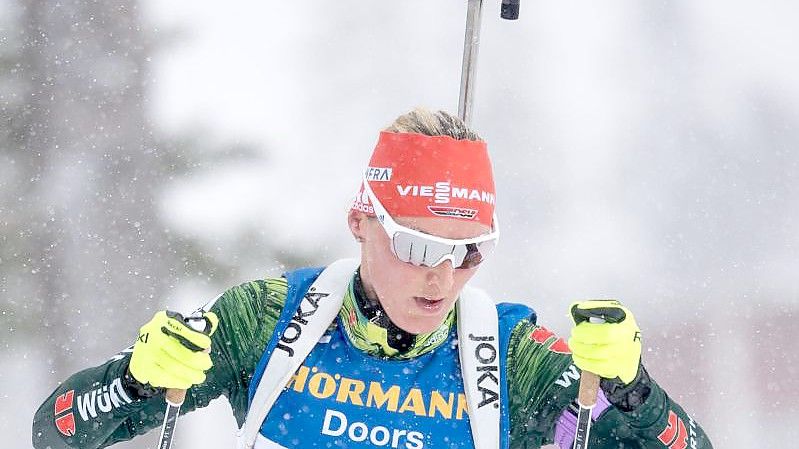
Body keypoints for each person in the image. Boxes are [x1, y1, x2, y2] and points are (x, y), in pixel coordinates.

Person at [32, 108, 713, 449]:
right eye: (416, 243)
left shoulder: (511, 358)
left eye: (469, 250)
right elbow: (56, 429)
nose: (442, 275)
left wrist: (630, 389)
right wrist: (136, 380)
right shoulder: (271, 319)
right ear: (361, 220)